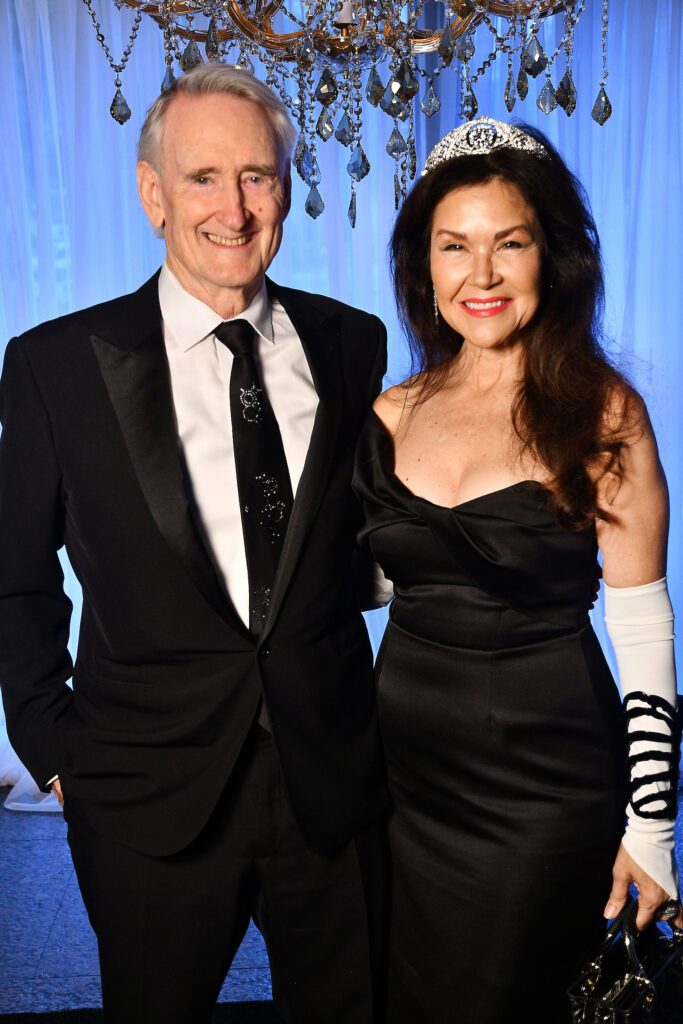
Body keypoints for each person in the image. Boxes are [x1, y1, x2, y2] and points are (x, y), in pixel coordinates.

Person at [0, 64, 389, 1024]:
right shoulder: (54, 365)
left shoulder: (353, 343)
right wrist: (53, 749)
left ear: (287, 191)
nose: (234, 207)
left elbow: (366, 539)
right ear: (153, 195)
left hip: (330, 787)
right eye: (204, 177)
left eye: (257, 176)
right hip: (143, 793)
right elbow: (15, 577)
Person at [352, 118, 681, 1023]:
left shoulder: (604, 412)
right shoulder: (387, 413)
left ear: (555, 255)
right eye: (453, 247)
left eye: (510, 244)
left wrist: (651, 827)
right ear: (425, 265)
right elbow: (370, 582)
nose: (481, 275)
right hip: (401, 785)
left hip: (543, 790)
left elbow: (644, 624)